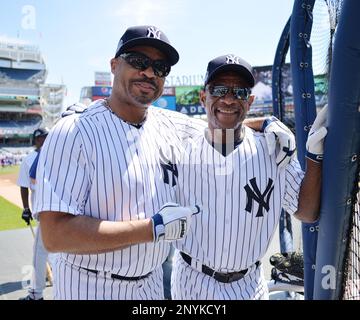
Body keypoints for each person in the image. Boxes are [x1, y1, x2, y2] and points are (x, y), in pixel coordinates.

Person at [34, 26, 296, 300]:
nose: (149, 72)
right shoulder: (73, 131)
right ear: (114, 65)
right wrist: (152, 228)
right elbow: (55, 235)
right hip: (90, 285)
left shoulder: (168, 124)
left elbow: (222, 120)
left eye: (160, 68)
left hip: (152, 286)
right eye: (138, 61)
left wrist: (264, 124)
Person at [171, 54, 326, 300]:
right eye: (219, 90)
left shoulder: (274, 148)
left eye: (240, 92)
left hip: (249, 286)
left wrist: (314, 158)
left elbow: (306, 212)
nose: (229, 99)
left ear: (250, 101)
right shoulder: (180, 148)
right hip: (192, 281)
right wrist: (265, 121)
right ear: (203, 97)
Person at [17, 128, 50, 300]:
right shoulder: (29, 160)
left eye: (44, 137)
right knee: (51, 249)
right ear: (34, 140)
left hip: (50, 212)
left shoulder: (55, 154)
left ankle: (36, 293)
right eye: (39, 138)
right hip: (40, 210)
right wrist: (25, 208)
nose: (42, 140)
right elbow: (24, 185)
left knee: (40, 251)